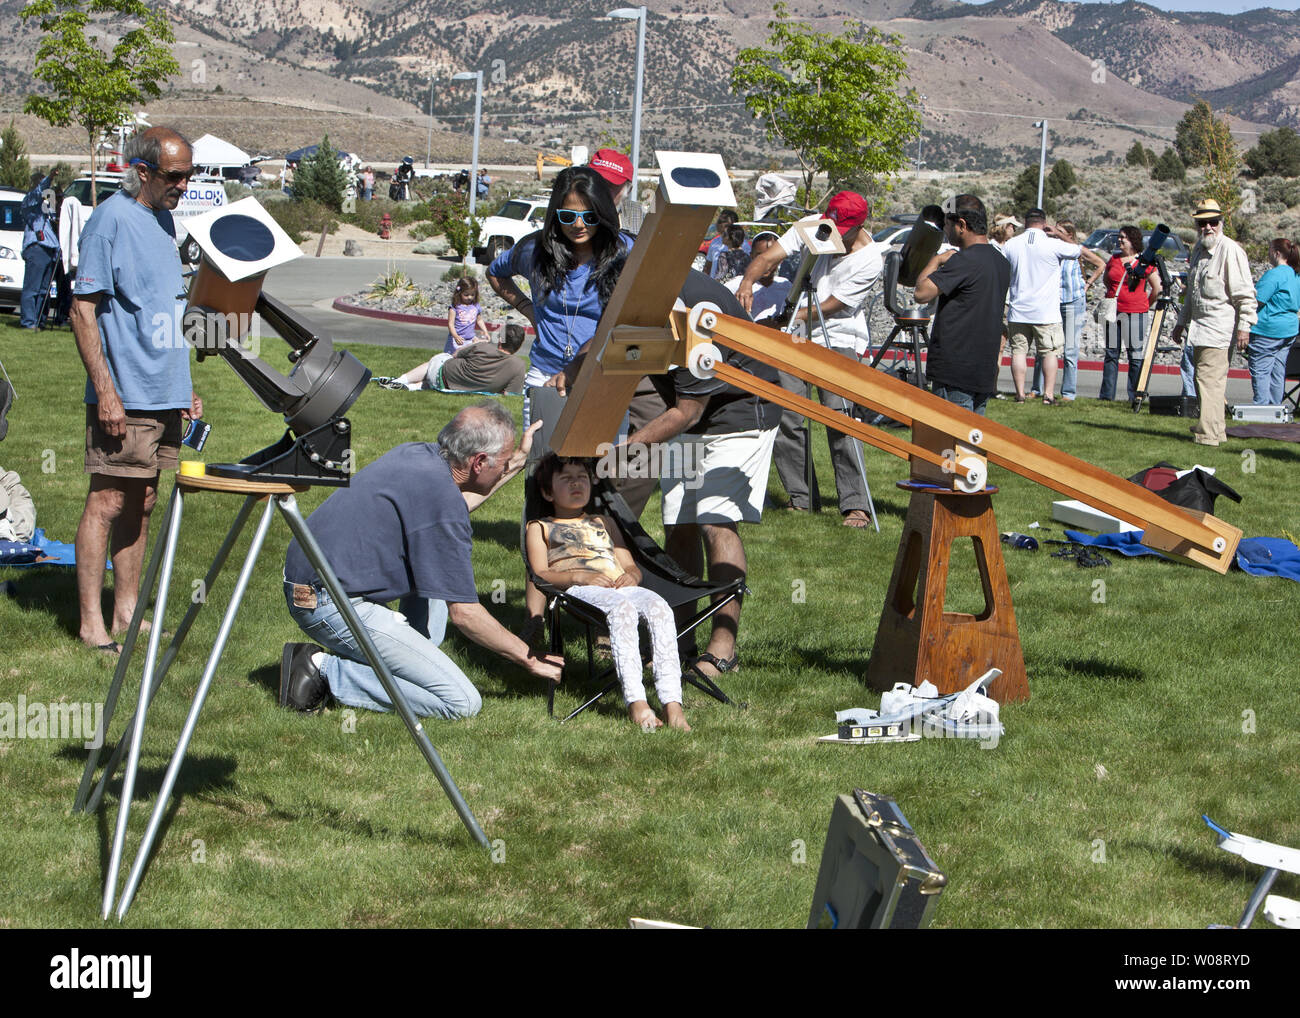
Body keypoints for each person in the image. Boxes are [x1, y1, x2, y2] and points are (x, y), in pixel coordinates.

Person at [281, 402, 563, 716]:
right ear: (480, 461)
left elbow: (453, 504)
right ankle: (320, 668)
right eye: (505, 460)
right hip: (325, 602)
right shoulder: (442, 503)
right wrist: (527, 656)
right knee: (461, 701)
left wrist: (516, 462)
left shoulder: (419, 455)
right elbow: (465, 614)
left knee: (430, 640)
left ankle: (391, 659)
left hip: (314, 581)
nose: (507, 465)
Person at [70, 127, 202, 653]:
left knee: (142, 500)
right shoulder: (110, 221)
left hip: (162, 392)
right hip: (124, 394)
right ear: (142, 172)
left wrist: (183, 388)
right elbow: (83, 310)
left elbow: (165, 308)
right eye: (175, 176)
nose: (184, 185)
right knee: (106, 500)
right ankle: (89, 624)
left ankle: (126, 613)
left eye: (190, 175)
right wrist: (106, 391)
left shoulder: (163, 219)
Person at [736, 190, 880, 527]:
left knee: (840, 418)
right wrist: (747, 280)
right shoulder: (812, 226)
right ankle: (801, 498)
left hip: (839, 337)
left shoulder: (871, 259)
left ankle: (855, 503)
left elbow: (834, 306)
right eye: (829, 225)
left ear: (858, 227)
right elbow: (770, 256)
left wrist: (784, 319)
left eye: (840, 229)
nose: (832, 234)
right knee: (788, 415)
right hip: (796, 335)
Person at [526, 454, 689, 731]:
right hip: (581, 591)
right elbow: (539, 573)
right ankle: (636, 702)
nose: (576, 483)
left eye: (582, 478)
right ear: (546, 491)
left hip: (621, 587)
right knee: (622, 611)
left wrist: (632, 576)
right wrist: (576, 576)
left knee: (660, 607)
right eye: (566, 479)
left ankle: (673, 703)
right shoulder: (540, 527)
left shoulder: (604, 522)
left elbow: (629, 564)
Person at [486, 165, 632, 426]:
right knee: (542, 462)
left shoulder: (624, 251)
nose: (578, 225)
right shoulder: (534, 250)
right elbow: (496, 273)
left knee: (601, 464)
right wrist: (527, 309)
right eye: (568, 216)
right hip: (545, 375)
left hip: (603, 378)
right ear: (555, 214)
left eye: (589, 216)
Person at [913, 195, 1011, 416]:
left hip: (955, 372)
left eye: (947, 225)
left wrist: (936, 260)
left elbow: (921, 293)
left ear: (962, 225)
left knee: (949, 446)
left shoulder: (964, 260)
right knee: (970, 446)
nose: (945, 231)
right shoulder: (1001, 262)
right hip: (982, 371)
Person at [1170, 198, 1257, 447]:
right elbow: (1192, 295)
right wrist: (1180, 323)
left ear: (1221, 223)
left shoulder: (1231, 251)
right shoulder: (1198, 250)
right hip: (1199, 329)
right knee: (1208, 381)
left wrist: (1245, 326)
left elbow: (1245, 294)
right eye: (1203, 223)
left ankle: (1207, 434)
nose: (1208, 227)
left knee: (1208, 380)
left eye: (1213, 222)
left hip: (1218, 329)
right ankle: (1215, 429)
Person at [1002, 207, 1084, 405]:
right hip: (1046, 312)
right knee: (1049, 353)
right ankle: (1048, 395)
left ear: (1026, 221)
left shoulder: (1012, 244)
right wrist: (1059, 234)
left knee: (1019, 352)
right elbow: (1077, 250)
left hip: (1019, 309)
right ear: (1044, 223)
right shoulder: (1052, 244)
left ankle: (1020, 393)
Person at [1096, 226, 1162, 402]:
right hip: (1113, 313)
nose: (1120, 240)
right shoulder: (1114, 259)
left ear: (1133, 240)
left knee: (1134, 355)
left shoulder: (1144, 261)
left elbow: (1157, 288)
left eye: (1123, 237)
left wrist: (1146, 305)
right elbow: (1107, 280)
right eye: (1119, 237)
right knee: (1111, 354)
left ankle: (1135, 396)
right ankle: (1106, 396)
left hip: (1135, 313)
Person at [375, 321, 527, 394]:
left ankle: (402, 380)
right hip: (454, 385)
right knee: (437, 371)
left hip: (443, 376)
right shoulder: (519, 366)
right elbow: (510, 394)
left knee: (440, 359)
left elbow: (454, 355)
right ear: (519, 345)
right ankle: (412, 387)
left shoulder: (482, 347)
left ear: (500, 340)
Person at [1245, 238, 1300, 405]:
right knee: (1278, 370)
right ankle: (1275, 410)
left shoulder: (1274, 274)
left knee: (1261, 371)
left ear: (1276, 253)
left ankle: (1261, 409)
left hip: (1268, 329)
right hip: (1289, 329)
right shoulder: (1295, 274)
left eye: (1269, 250)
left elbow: (1257, 300)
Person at [20, 170, 60, 330]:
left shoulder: (45, 208)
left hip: (51, 249)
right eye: (44, 185)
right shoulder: (29, 202)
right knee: (33, 288)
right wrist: (49, 178)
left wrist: (54, 198)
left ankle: (39, 320)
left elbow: (53, 216)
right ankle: (28, 322)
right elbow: (38, 192)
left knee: (44, 290)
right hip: (37, 247)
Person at [444, 275, 491, 354]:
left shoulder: (475, 306)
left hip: (470, 339)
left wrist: (485, 331)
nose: (469, 297)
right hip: (457, 339)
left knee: (467, 360)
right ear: (459, 293)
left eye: (472, 295)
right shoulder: (455, 307)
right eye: (466, 295)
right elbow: (450, 324)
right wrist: (455, 336)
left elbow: (479, 320)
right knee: (452, 358)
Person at [705, 209, 749, 275]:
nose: (717, 223)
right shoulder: (715, 243)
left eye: (721, 221)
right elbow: (708, 267)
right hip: (714, 284)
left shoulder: (744, 245)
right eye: (718, 221)